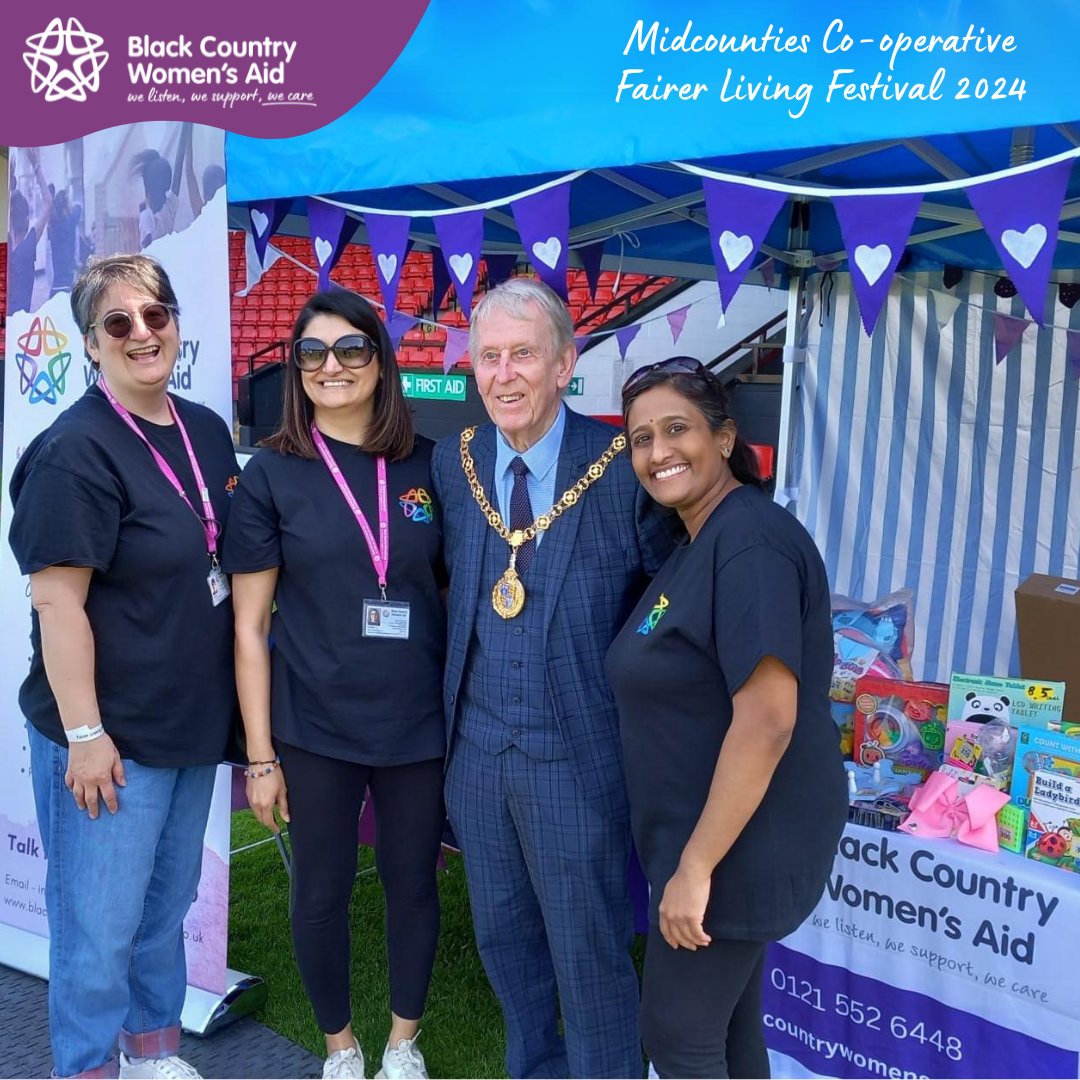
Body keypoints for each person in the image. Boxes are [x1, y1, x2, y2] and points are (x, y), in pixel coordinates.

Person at [431, 277, 678, 1079]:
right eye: (489, 357)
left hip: (575, 757)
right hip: (474, 755)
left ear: (566, 363)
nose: (503, 375)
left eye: (524, 356)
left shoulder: (620, 468)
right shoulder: (457, 459)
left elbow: (673, 599)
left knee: (589, 954)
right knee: (505, 942)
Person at [8, 254, 240, 1080]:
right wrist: (84, 733)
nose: (143, 332)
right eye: (119, 323)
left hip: (186, 726)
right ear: (90, 343)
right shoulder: (73, 451)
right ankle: (83, 1068)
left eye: (156, 314)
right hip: (110, 738)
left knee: (162, 912)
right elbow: (57, 605)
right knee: (95, 929)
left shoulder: (205, 429)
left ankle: (151, 1055)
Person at [223, 290, 447, 1080]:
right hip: (313, 726)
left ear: (380, 360)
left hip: (418, 723)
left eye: (351, 349)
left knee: (411, 884)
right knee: (319, 891)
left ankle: (403, 1043)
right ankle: (342, 1048)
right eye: (312, 353)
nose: (332, 367)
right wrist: (259, 755)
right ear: (295, 369)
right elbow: (249, 627)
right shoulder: (273, 477)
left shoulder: (430, 464)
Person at [606, 358, 848, 1079]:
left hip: (737, 845)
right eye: (641, 439)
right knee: (730, 1031)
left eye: (676, 429)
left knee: (677, 1035)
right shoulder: (697, 539)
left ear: (724, 436)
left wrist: (696, 867)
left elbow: (769, 718)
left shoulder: (749, 542)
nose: (658, 452)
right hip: (709, 837)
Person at [8, 147, 53, 315]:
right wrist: (36, 167)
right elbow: (48, 202)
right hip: (19, 323)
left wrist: (9, 179)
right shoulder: (28, 246)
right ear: (27, 219)